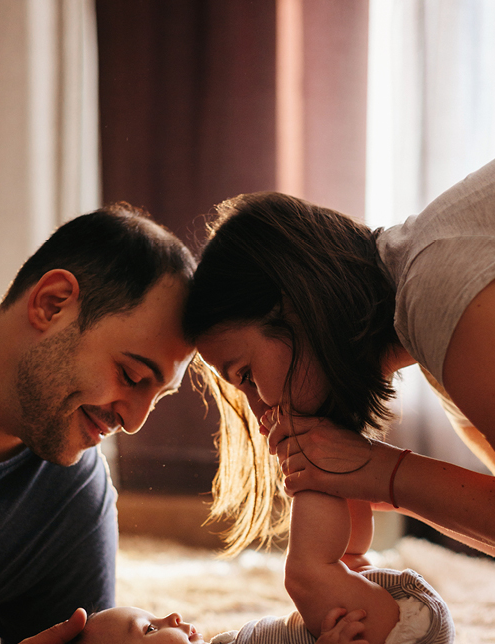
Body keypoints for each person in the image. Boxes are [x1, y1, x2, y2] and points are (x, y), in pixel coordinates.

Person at [183, 159, 495, 558]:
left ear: (297, 302)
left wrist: (380, 471)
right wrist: (376, 481)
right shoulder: (436, 333)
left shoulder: (435, 285)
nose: (262, 415)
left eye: (246, 375)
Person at [0, 203, 196, 644]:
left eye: (157, 397)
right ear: (52, 303)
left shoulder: (71, 499)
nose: (133, 422)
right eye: (132, 376)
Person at [62, 487, 453, 644]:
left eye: (155, 614)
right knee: (305, 574)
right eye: (149, 629)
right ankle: (317, 476)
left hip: (384, 632)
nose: (172, 617)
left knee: (346, 559)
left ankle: (345, 477)